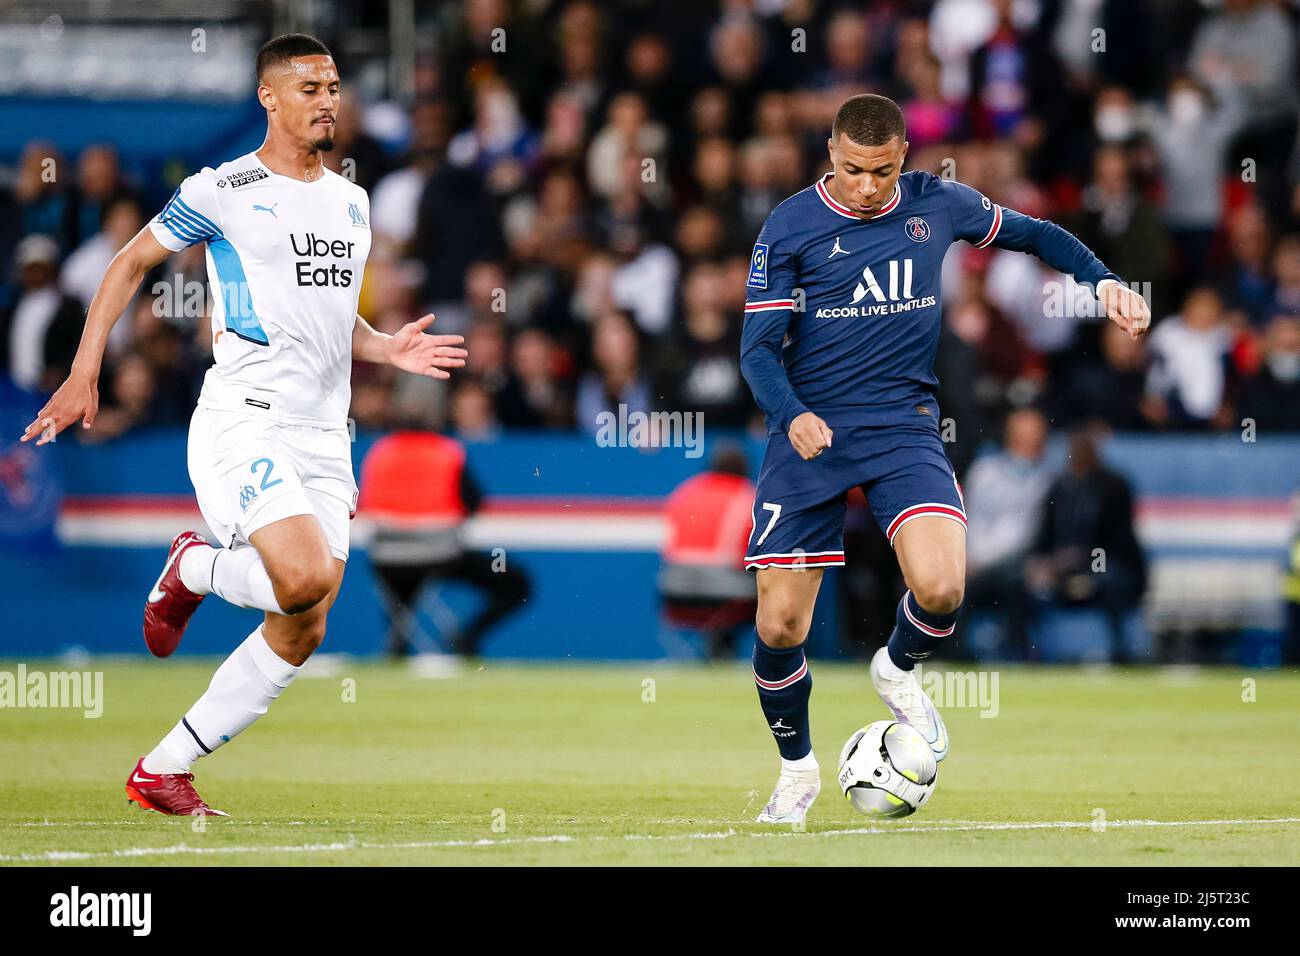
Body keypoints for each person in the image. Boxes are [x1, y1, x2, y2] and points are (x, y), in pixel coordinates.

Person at [20, 34, 468, 817]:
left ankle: (163, 770)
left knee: (305, 622)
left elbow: (329, 320)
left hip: (327, 433)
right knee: (303, 579)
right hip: (244, 421)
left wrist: (383, 346)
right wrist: (84, 370)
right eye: (309, 88)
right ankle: (193, 567)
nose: (328, 99)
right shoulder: (223, 188)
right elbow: (127, 262)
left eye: (333, 85)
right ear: (269, 98)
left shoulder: (352, 202)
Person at [738, 93, 1149, 824]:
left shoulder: (939, 203)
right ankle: (798, 770)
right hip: (811, 434)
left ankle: (893, 669)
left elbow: (1034, 234)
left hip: (903, 428)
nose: (869, 186)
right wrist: (791, 413)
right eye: (857, 170)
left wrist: (1104, 280)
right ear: (831, 152)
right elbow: (757, 352)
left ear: (905, 159)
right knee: (778, 628)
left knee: (942, 589)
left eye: (885, 171)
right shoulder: (790, 226)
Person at [358, 428, 530, 658]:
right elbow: (474, 502)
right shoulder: (447, 451)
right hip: (440, 557)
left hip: (386, 562)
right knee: (517, 584)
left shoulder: (380, 451)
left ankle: (398, 645)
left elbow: (363, 502)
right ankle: (467, 638)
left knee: (400, 592)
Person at [1024, 427, 1147, 663]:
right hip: (1064, 570)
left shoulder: (1114, 486)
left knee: (1109, 580)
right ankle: (1031, 651)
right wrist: (1043, 562)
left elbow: (1120, 541)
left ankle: (1121, 652)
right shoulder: (1060, 488)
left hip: (1110, 567)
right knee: (1027, 582)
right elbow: (1044, 536)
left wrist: (1083, 559)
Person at [962, 407, 1053, 656]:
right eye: (1023, 437)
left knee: (1015, 579)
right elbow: (971, 519)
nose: (1029, 445)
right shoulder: (984, 472)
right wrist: (967, 557)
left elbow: (1023, 535)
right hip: (972, 562)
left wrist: (980, 561)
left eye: (1036, 438)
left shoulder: (1046, 482)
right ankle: (947, 656)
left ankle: (1020, 655)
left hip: (1009, 566)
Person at [657, 445, 757, 660]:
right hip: (729, 597)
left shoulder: (686, 491)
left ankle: (716, 655)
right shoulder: (747, 495)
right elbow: (751, 556)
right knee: (780, 594)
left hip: (673, 592)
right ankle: (788, 663)